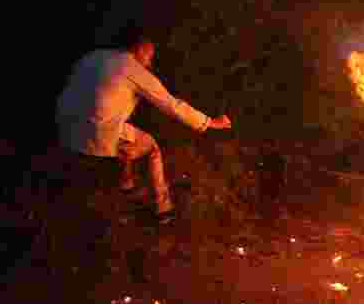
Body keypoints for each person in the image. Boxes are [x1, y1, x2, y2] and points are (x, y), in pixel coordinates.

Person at [55, 25, 232, 223]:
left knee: (125, 137)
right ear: (139, 49)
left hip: (65, 126)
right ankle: (163, 208)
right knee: (151, 147)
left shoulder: (93, 57)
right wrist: (209, 122)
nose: (150, 61)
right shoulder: (131, 68)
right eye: (149, 54)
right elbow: (171, 104)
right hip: (96, 130)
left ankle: (126, 183)